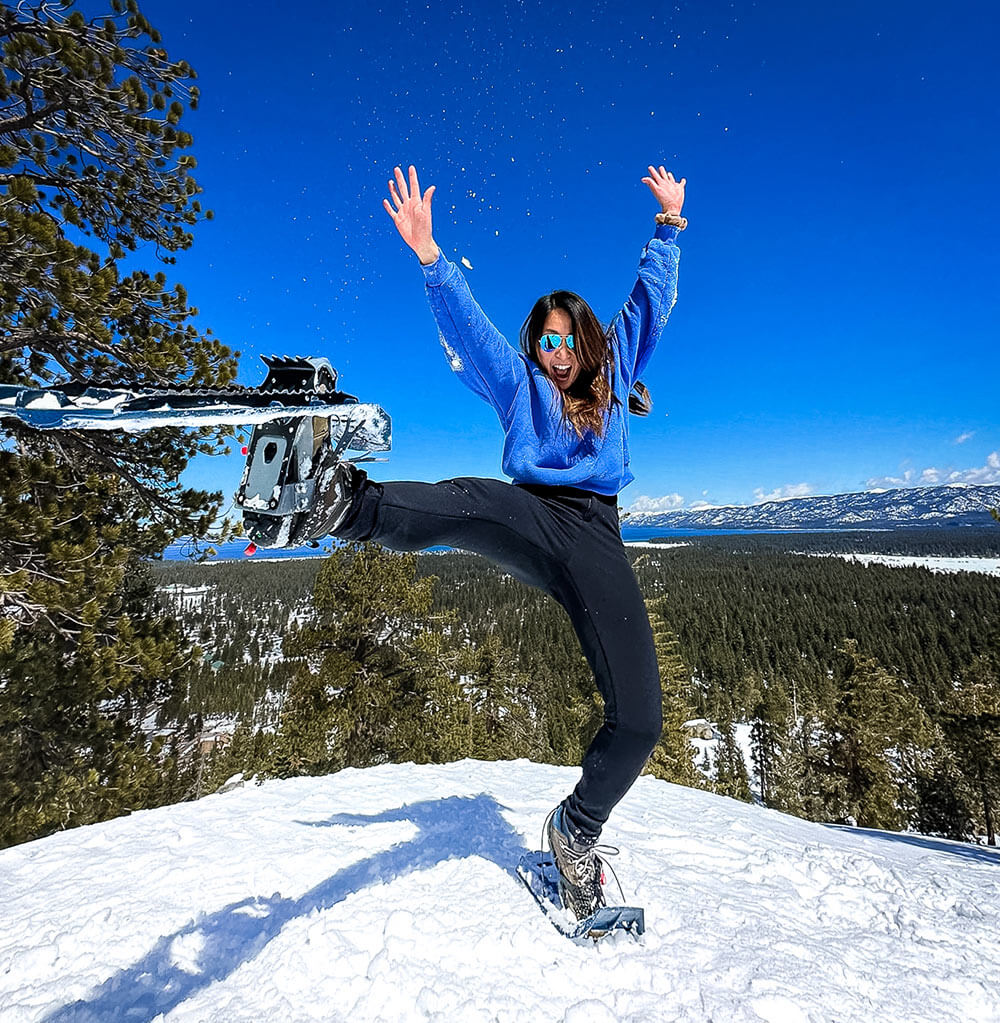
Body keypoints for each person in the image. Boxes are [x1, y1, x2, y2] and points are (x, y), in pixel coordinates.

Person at [300, 163, 685, 922]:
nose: (559, 350)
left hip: (597, 532)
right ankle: (342, 501)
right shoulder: (522, 388)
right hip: (534, 512)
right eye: (546, 340)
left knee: (640, 720)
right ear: (535, 348)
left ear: (590, 340)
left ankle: (576, 829)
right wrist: (432, 261)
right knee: (474, 501)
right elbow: (473, 334)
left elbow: (651, 303)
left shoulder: (615, 373)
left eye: (570, 337)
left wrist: (668, 227)